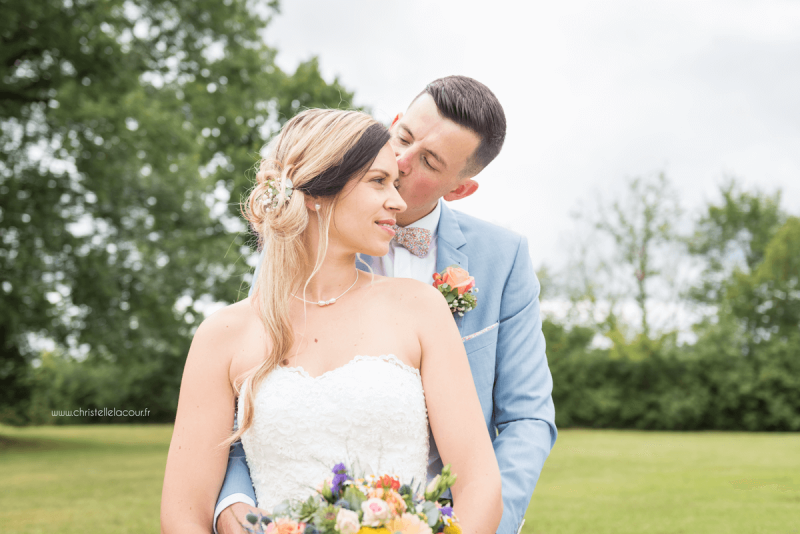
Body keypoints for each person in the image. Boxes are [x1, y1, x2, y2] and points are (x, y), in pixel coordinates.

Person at [216, 76, 557, 534]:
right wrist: (233, 500)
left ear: (458, 189)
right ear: (393, 122)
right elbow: (253, 395)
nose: (400, 161)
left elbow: (526, 418)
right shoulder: (300, 239)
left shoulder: (503, 258)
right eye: (404, 137)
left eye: (429, 162)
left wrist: (478, 524)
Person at [160, 108, 504, 534]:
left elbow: (479, 483)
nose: (398, 201)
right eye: (379, 182)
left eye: (394, 184)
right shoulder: (223, 336)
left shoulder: (421, 309)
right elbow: (183, 515)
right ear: (316, 192)